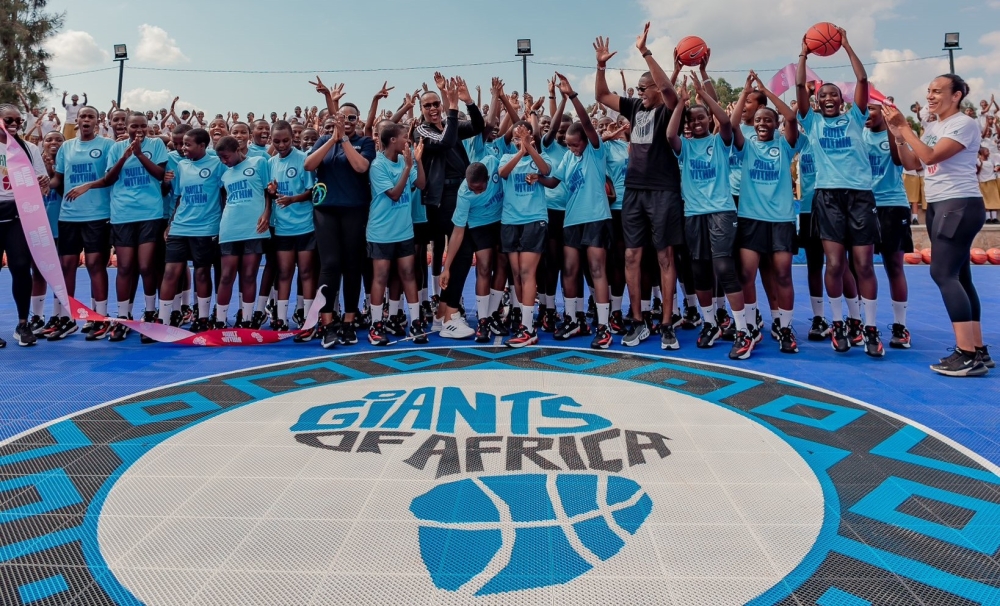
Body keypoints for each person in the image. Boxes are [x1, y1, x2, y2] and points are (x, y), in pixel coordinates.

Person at [884, 75, 990, 376]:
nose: (930, 96)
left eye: (938, 91)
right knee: (961, 276)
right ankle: (977, 349)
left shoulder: (963, 123)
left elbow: (930, 156)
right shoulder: (932, 127)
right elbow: (913, 164)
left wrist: (905, 126)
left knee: (942, 273)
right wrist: (899, 136)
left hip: (958, 204)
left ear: (956, 96)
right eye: (929, 91)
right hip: (941, 204)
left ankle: (966, 355)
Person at [796, 25, 885, 357]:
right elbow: (799, 87)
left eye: (834, 95)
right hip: (828, 196)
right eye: (823, 96)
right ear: (817, 102)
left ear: (842, 100)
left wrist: (846, 45)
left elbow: (862, 80)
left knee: (863, 264)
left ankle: (869, 327)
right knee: (834, 264)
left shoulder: (856, 117)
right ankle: (837, 323)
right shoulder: (813, 122)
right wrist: (804, 54)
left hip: (859, 195)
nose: (829, 99)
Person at [594, 24, 683, 349]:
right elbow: (601, 96)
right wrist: (600, 67)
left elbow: (669, 89)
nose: (640, 92)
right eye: (639, 88)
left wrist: (645, 52)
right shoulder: (634, 107)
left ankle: (668, 323)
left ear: (657, 88)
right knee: (631, 256)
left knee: (665, 257)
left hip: (663, 191)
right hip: (633, 192)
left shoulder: (669, 109)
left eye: (645, 88)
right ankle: (637, 321)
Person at [65, 112, 168, 343]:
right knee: (125, 267)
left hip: (150, 213)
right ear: (127, 128)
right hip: (122, 214)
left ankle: (150, 313)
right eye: (134, 126)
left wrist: (139, 154)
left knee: (146, 266)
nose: (139, 130)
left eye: (143, 126)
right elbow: (109, 179)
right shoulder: (116, 148)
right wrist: (124, 156)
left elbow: (160, 175)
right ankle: (123, 317)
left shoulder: (156, 145)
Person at [668, 75, 752, 359]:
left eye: (701, 117)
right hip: (694, 214)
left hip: (721, 212)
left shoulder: (719, 142)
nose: (696, 122)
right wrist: (681, 104)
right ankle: (709, 323)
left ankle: (743, 330)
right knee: (700, 272)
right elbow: (669, 135)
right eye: (692, 120)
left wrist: (704, 96)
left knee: (724, 268)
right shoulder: (685, 147)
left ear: (708, 119)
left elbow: (726, 122)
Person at [537, 74, 614, 349]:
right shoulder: (568, 157)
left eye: (575, 143)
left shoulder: (595, 151)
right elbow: (554, 181)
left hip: (596, 218)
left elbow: (588, 124)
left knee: (596, 269)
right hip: (572, 220)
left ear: (586, 141)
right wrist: (537, 179)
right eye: (568, 144)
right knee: (569, 269)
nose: (571, 147)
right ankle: (573, 319)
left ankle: (603, 327)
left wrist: (572, 96)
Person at [732, 72, 803, 355]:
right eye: (758, 120)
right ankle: (750, 326)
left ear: (776, 124)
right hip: (751, 219)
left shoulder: (785, 146)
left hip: (781, 220)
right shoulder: (746, 146)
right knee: (746, 275)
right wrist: (744, 92)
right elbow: (731, 124)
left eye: (768, 120)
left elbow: (792, 118)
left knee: (783, 274)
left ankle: (784, 327)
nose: (762, 123)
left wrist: (765, 91)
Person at [304, 77, 377, 348]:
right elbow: (309, 165)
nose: (347, 121)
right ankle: (327, 323)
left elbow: (360, 167)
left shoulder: (365, 142)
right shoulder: (324, 139)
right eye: (343, 117)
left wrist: (344, 139)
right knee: (330, 265)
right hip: (326, 211)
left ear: (357, 121)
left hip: (355, 210)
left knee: (352, 265)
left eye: (352, 118)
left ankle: (348, 321)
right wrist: (331, 140)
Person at [414, 73, 484, 335]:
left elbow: (477, 126)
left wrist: (468, 102)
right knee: (461, 253)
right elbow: (444, 143)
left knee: (462, 254)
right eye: (427, 105)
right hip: (441, 199)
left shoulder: (449, 123)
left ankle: (444, 313)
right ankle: (449, 315)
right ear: (421, 109)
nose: (433, 108)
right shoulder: (421, 130)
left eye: (436, 104)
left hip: (460, 194)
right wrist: (452, 107)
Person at [49, 106, 114, 340]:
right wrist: (44, 183)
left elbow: (111, 176)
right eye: (83, 116)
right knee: (66, 266)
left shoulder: (107, 145)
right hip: (68, 216)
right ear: (76, 120)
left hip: (97, 215)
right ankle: (67, 318)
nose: (86, 119)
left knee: (95, 265)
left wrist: (88, 186)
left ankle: (101, 317)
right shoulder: (66, 147)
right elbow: (59, 178)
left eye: (90, 116)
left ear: (97, 121)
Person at [157, 128, 226, 333]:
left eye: (188, 144)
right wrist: (171, 222)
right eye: (182, 144)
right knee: (171, 272)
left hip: (206, 228)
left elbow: (225, 193)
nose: (183, 148)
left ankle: (202, 318)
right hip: (180, 226)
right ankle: (163, 320)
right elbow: (179, 196)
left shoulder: (217, 165)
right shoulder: (181, 166)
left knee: (202, 272)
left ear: (203, 146)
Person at [864, 99, 920, 350]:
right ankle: (866, 325)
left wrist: (893, 127)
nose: (866, 112)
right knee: (862, 267)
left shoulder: (895, 133)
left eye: (871, 108)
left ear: (884, 112)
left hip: (892, 205)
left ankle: (900, 326)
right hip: (863, 206)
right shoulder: (858, 134)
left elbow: (901, 162)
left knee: (894, 266)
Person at [365, 123, 427, 345]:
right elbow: (394, 194)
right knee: (380, 277)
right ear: (392, 140)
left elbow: (421, 184)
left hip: (404, 231)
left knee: (408, 274)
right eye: (404, 138)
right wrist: (408, 168)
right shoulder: (378, 165)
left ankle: (416, 322)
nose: (408, 141)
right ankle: (376, 325)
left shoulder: (404, 160)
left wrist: (417, 161)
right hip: (381, 232)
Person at [440, 154, 504, 343]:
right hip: (479, 225)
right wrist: (447, 267)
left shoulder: (493, 163)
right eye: (472, 189)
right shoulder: (464, 193)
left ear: (488, 179)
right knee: (484, 266)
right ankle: (483, 320)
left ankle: (493, 314)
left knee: (502, 266)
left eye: (479, 189)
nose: (475, 193)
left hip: (502, 219)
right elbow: (458, 232)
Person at [0, 103, 49, 347]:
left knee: (20, 266)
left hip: (18, 214)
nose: (14, 124)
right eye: (8, 120)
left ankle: (23, 324)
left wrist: (43, 181)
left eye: (18, 120)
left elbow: (43, 181)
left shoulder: (29, 148)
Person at [498, 122, 550, 347]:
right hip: (510, 220)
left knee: (528, 273)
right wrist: (520, 151)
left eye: (524, 136)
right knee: (517, 274)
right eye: (516, 138)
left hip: (533, 219)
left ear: (532, 137)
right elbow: (503, 173)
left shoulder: (539, 158)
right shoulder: (507, 157)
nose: (520, 140)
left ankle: (528, 328)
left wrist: (529, 147)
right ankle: (524, 321)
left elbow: (545, 171)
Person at [266, 120, 317, 337]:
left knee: (306, 272)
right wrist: (271, 192)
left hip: (305, 226)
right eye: (277, 141)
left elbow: (312, 191)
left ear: (293, 138)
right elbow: (270, 193)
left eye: (286, 140)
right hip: (283, 228)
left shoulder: (304, 159)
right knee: (284, 272)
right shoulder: (270, 162)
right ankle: (281, 318)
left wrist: (293, 199)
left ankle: (308, 320)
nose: (281, 145)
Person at [215, 135, 271, 328]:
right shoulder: (225, 172)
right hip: (230, 228)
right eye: (220, 158)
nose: (224, 161)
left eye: (226, 156)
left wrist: (267, 213)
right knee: (226, 276)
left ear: (238, 150)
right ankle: (220, 321)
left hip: (254, 228)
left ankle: (246, 320)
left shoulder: (259, 162)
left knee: (248, 276)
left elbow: (268, 192)